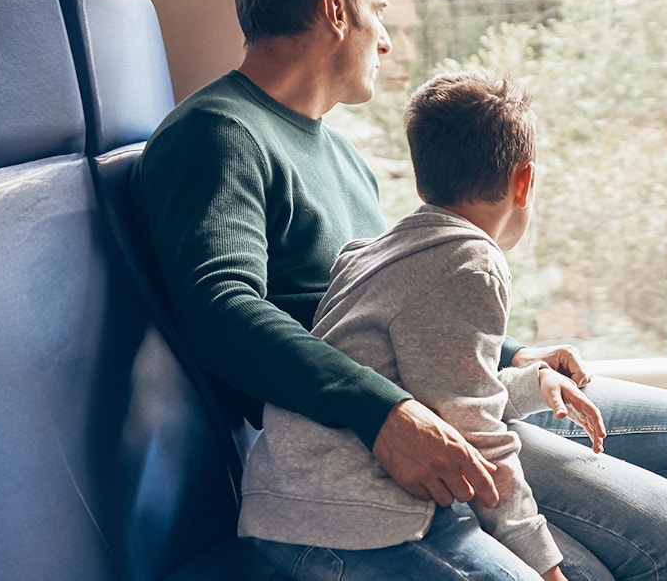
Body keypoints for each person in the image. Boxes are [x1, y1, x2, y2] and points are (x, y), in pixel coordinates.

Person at [131, 0, 667, 580]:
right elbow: (220, 308)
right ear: (335, 12)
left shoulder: (342, 157)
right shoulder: (216, 135)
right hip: (359, 437)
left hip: (435, 388)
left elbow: (394, 295)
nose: (383, 39)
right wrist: (386, 413)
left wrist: (514, 350)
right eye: (376, 12)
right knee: (651, 550)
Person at [241, 70, 606, 581]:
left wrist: (529, 382)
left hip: (289, 507)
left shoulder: (374, 251)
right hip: (342, 526)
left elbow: (438, 386)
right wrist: (546, 568)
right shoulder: (471, 260)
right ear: (523, 181)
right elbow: (479, 438)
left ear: (422, 179)